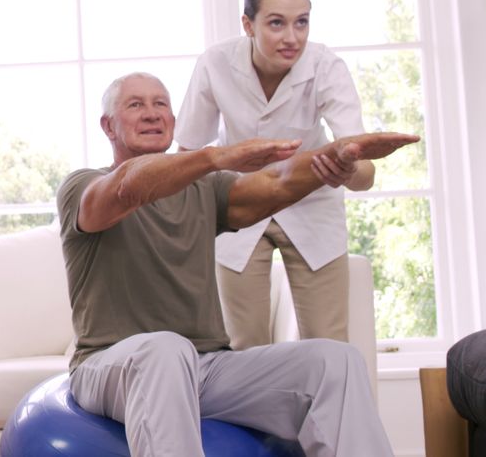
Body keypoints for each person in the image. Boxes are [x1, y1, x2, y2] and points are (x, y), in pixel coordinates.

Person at [57, 72, 417, 456]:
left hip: (206, 368)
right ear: (108, 126)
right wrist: (215, 156)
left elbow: (274, 183)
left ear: (173, 122)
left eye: (160, 104)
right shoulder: (82, 186)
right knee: (165, 350)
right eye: (135, 105)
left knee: (335, 361)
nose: (151, 114)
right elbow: (127, 188)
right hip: (111, 366)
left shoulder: (203, 189)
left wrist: (334, 159)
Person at [175, 0, 372, 350]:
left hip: (311, 204)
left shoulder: (325, 66)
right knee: (243, 346)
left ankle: (335, 412)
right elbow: (188, 157)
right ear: (248, 25)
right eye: (277, 23)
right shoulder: (215, 63)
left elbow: (363, 173)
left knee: (330, 347)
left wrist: (348, 168)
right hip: (239, 205)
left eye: (302, 22)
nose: (292, 37)